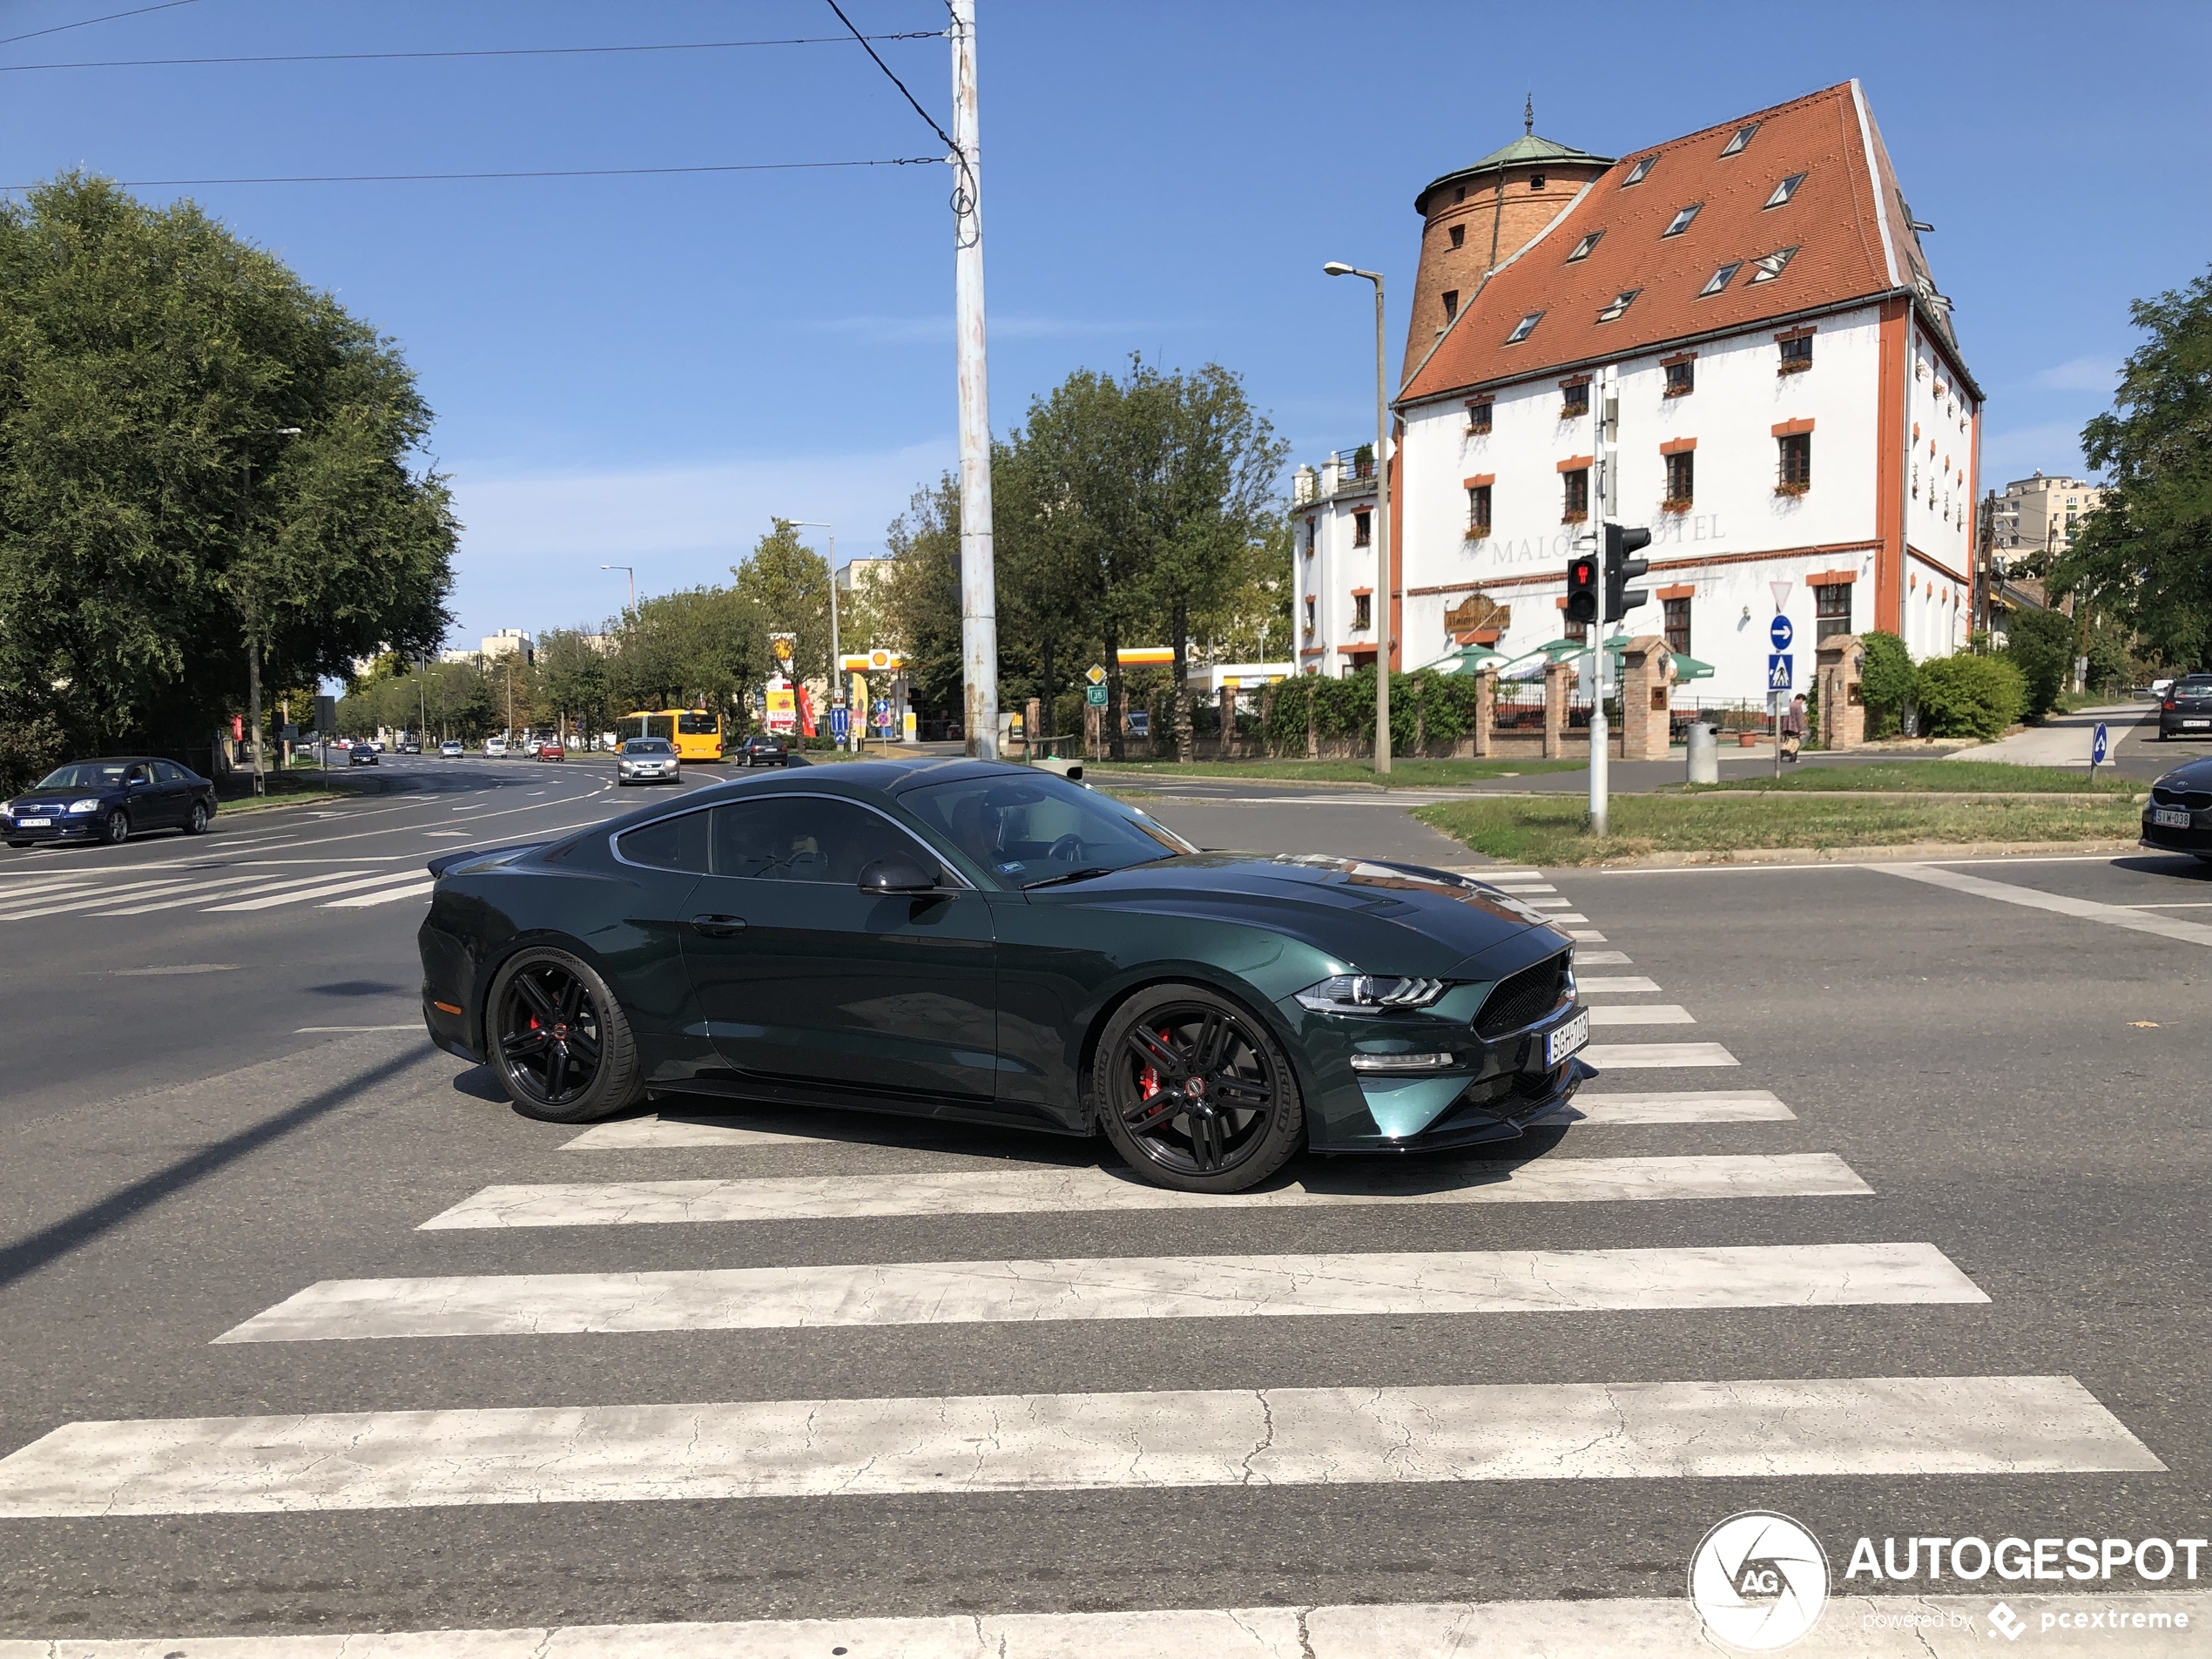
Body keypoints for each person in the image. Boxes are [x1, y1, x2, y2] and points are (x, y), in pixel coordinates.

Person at [1780, 693, 1807, 762]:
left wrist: (1782, 728)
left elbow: (1782, 717)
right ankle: (1793, 758)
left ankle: (1783, 753)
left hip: (1786, 727)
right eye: (1802, 701)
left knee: (1788, 741)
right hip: (1794, 728)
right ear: (1800, 699)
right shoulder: (1797, 706)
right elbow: (1799, 719)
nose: (1802, 703)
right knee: (1796, 743)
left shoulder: (1788, 705)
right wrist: (1800, 729)